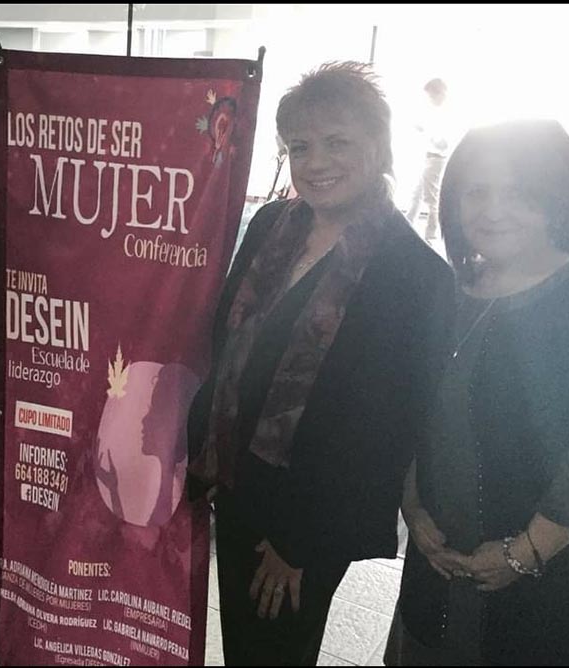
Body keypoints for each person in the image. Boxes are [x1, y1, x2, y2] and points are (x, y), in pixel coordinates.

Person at [186, 61, 455, 666]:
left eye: (338, 143)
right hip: (237, 483)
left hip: (307, 516)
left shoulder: (414, 274)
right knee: (243, 648)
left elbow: (384, 432)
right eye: (300, 147)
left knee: (275, 653)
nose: (316, 162)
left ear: (378, 147)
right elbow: (229, 349)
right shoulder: (271, 226)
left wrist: (301, 543)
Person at [386, 120, 569, 666]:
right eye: (477, 192)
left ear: (556, 196)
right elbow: (416, 412)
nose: (494, 210)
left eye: (519, 193)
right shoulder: (452, 291)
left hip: (544, 577)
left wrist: (529, 550)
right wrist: (413, 506)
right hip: (436, 559)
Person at [406, 78, 451, 241]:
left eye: (431, 95)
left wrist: (426, 132)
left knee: (431, 197)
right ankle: (408, 225)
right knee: (416, 193)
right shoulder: (432, 112)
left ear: (439, 94)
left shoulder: (447, 114)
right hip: (427, 156)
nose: (429, 99)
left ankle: (431, 233)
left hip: (436, 158)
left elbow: (444, 143)